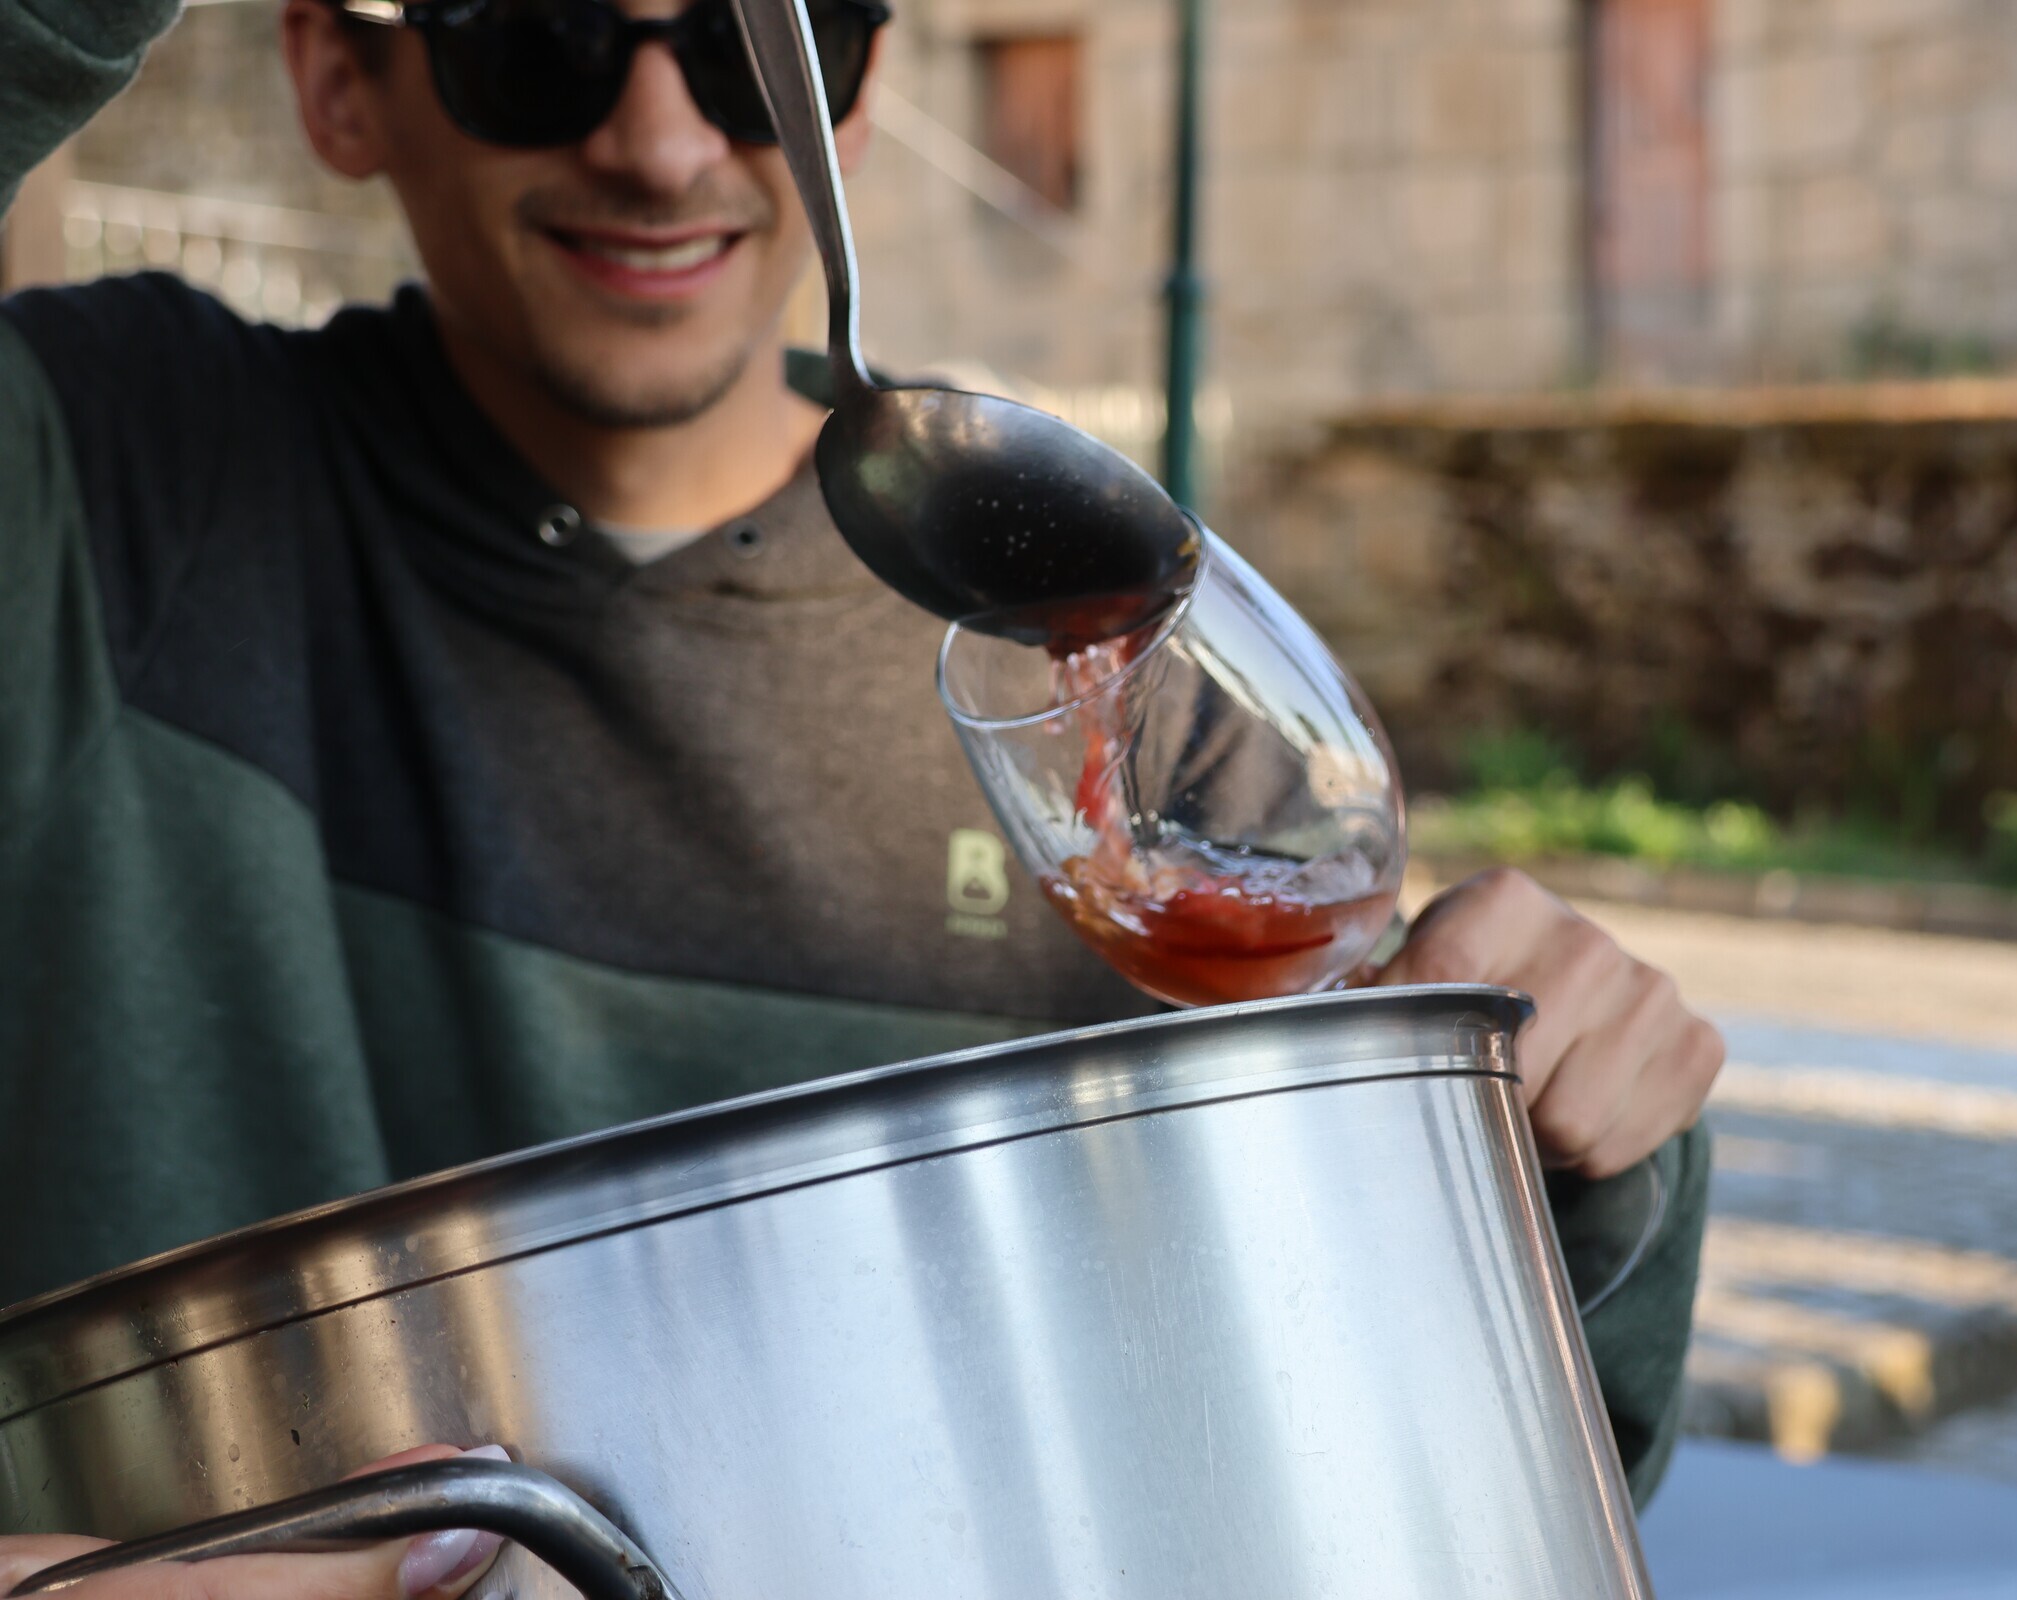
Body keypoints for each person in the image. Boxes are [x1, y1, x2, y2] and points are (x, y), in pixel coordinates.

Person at [0, 0, 1724, 1588]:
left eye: (757, 51)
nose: (662, 144)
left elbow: (1394, 1476)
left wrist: (1558, 1163)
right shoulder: (101, 496)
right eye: (542, 39)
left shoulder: (1108, 671)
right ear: (336, 78)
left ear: (861, 90)